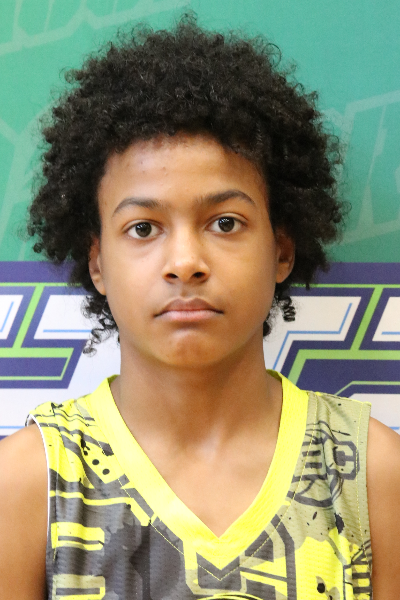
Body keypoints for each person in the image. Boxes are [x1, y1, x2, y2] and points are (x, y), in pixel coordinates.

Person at [0, 15, 399, 600]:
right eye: (143, 227)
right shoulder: (29, 481)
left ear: (281, 250)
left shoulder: (371, 473)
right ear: (98, 263)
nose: (185, 262)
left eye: (225, 222)